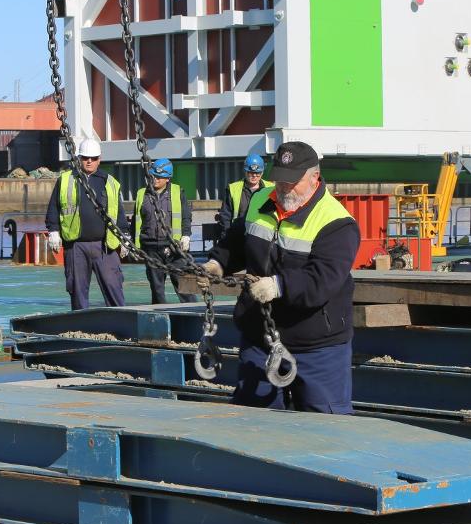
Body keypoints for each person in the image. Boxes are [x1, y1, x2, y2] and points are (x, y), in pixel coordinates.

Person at [203, 141, 358, 414]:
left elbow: (323, 279)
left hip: (317, 347)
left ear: (315, 178)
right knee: (255, 421)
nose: (284, 187)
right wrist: (218, 262)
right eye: (280, 180)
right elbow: (239, 238)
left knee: (326, 429)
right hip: (260, 336)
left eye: (292, 181)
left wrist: (279, 285)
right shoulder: (261, 201)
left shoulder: (336, 223)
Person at [45, 138, 127, 310]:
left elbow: (118, 212)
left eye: (93, 158)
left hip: (105, 246)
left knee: (114, 286)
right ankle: (80, 324)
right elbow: (54, 208)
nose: (89, 161)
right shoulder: (65, 180)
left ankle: (120, 318)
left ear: (99, 159)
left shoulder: (110, 182)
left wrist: (124, 236)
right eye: (85, 158)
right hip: (76, 246)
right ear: (78, 158)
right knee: (77, 289)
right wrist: (53, 231)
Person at [129, 158, 195, 305]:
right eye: (153, 176)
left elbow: (186, 216)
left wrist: (186, 235)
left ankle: (193, 312)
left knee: (183, 287)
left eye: (159, 177)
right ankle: (160, 317)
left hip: (174, 248)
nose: (155, 179)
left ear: (167, 178)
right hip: (151, 248)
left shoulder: (178, 192)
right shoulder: (142, 194)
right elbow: (136, 221)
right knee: (157, 289)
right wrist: (133, 245)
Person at [214, 152, 273, 238]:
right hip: (239, 236)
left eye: (258, 173)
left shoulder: (271, 188)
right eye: (251, 172)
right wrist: (227, 238)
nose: (254, 175)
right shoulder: (233, 189)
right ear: (245, 171)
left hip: (264, 237)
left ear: (262, 172)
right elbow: (226, 216)